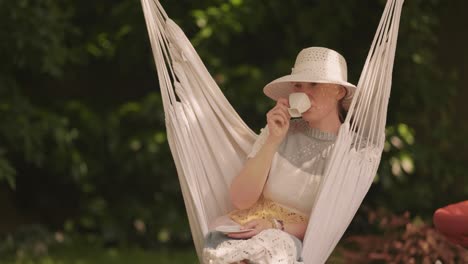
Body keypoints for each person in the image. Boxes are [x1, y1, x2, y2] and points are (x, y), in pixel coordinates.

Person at [203, 47, 357, 264]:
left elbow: (327, 225)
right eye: (298, 85)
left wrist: (275, 226)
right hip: (250, 224)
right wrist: (273, 140)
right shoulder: (278, 131)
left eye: (314, 84)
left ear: (339, 92)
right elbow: (240, 199)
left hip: (290, 239)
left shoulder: (349, 152)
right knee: (222, 244)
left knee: (267, 252)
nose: (303, 92)